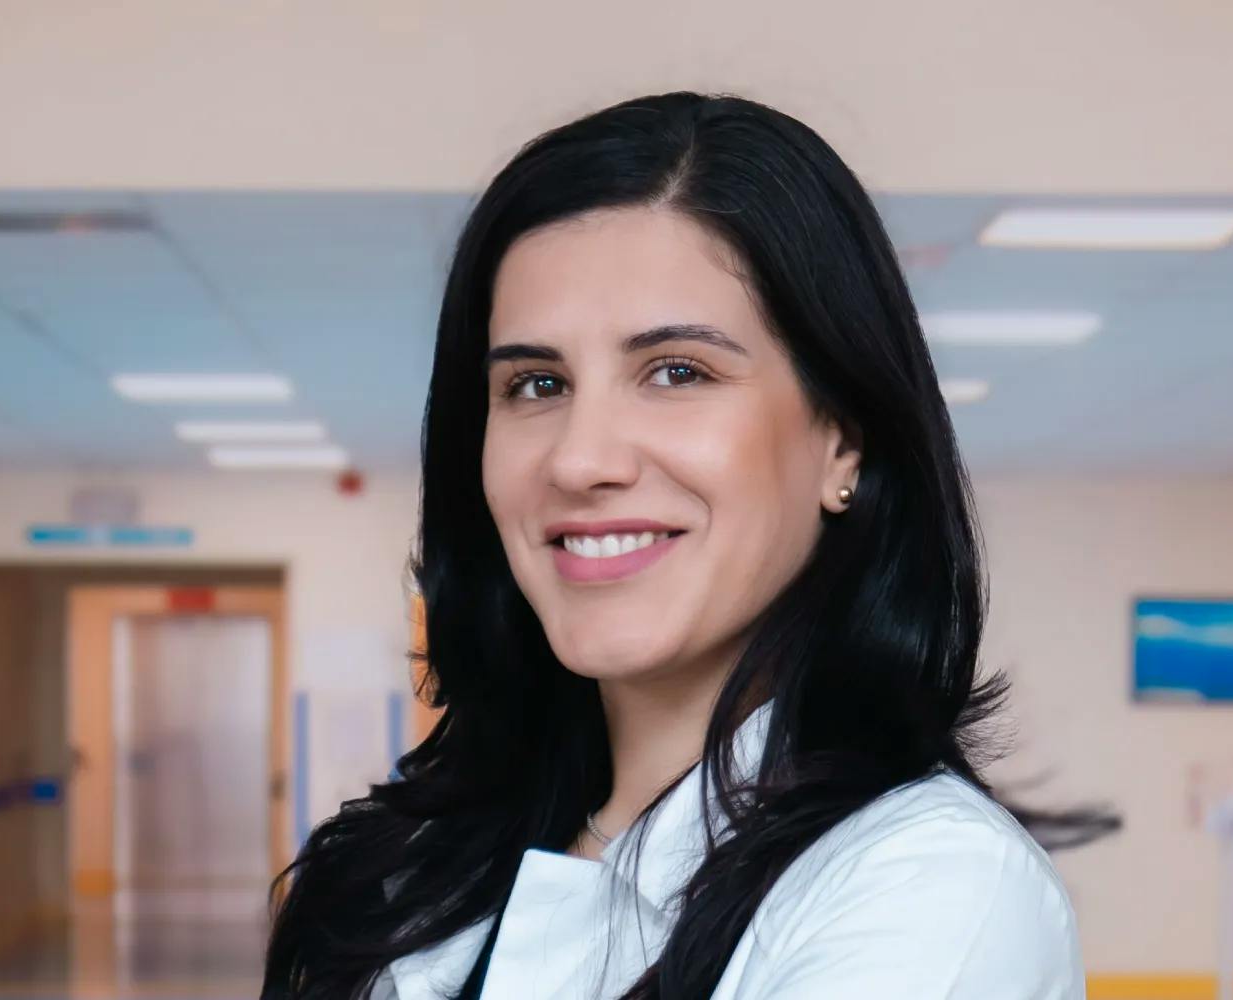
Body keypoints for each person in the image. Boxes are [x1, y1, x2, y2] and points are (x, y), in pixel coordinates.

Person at [263, 92, 1105, 1000]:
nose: (580, 460)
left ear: (843, 441)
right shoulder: (418, 865)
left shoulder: (933, 889)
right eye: (537, 384)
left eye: (676, 372)